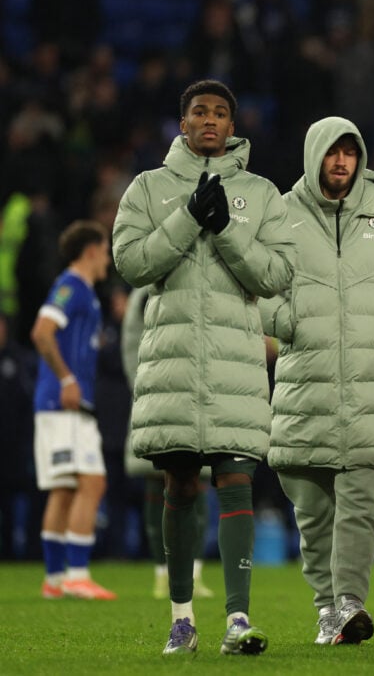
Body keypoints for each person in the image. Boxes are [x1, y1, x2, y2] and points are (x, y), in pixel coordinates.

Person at [112, 79, 294, 656]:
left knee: (236, 478)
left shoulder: (263, 194)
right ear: (183, 123)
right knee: (182, 483)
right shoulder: (147, 188)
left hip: (235, 361)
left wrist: (224, 229)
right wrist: (189, 218)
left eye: (220, 112)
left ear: (233, 126)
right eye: (199, 112)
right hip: (173, 361)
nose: (210, 120)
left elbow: (275, 274)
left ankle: (237, 620)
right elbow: (131, 264)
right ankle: (183, 620)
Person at [258, 116, 374, 647]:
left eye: (349, 153)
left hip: (373, 384)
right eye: (332, 153)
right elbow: (256, 279)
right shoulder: (279, 215)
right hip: (304, 382)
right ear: (314, 156)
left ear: (360, 158)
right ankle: (327, 609)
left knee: (360, 502)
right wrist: (285, 322)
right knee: (312, 513)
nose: (341, 162)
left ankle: (350, 602)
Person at [31, 220, 115, 601]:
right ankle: (78, 575)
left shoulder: (85, 292)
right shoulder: (71, 287)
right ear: (92, 250)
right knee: (92, 482)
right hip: (63, 403)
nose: (109, 260)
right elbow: (41, 331)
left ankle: (54, 580)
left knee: (64, 489)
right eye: (107, 250)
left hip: (63, 405)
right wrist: (66, 379)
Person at [120, 285, 213, 600]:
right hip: (154, 398)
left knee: (196, 482)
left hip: (195, 400)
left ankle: (195, 573)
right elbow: (131, 344)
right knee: (155, 483)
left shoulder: (198, 280)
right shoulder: (143, 291)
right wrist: (143, 388)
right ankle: (162, 573)